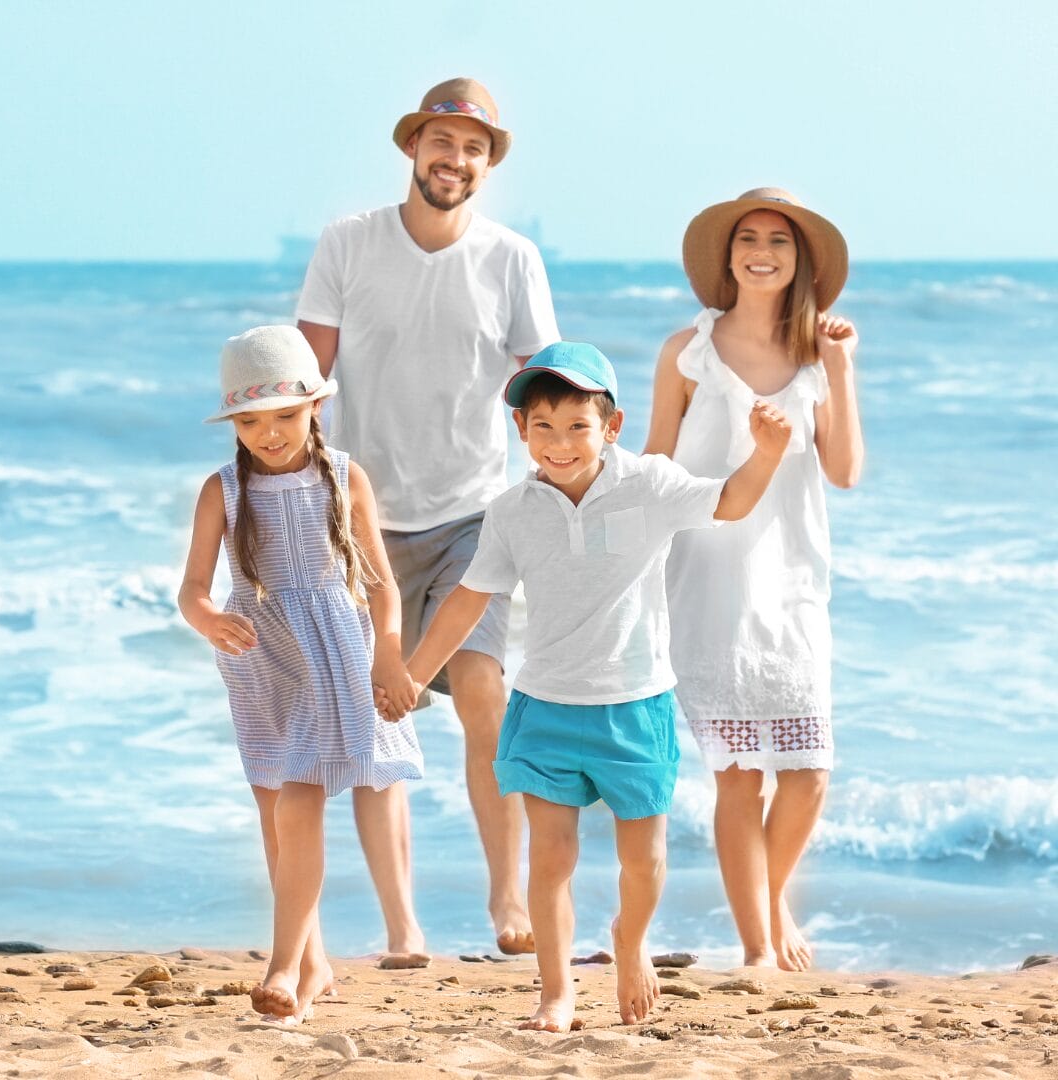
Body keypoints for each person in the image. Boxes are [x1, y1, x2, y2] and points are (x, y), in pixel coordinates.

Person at [386, 341, 793, 1031]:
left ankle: (629, 941)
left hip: (636, 706)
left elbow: (731, 501)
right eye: (542, 427)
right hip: (545, 707)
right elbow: (468, 599)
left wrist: (767, 451)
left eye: (577, 426)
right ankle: (556, 991)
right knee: (552, 857)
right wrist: (414, 673)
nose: (560, 443)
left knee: (646, 859)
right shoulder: (511, 511)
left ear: (612, 425)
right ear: (520, 432)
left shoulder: (650, 484)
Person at [295, 77, 559, 959]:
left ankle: (507, 900)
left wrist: (565, 493)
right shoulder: (348, 243)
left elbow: (540, 387)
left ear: (488, 163)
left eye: (475, 148)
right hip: (362, 521)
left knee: (484, 695)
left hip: (471, 519)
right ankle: (404, 930)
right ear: (414, 147)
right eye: (442, 143)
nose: (456, 160)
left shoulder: (512, 259)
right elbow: (308, 378)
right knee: (381, 717)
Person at [644, 188, 865, 971]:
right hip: (707, 579)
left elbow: (842, 471)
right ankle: (757, 948)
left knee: (808, 772)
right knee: (738, 778)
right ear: (727, 254)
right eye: (748, 237)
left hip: (794, 581)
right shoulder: (686, 353)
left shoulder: (816, 358)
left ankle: (771, 902)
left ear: (800, 259)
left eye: (778, 238)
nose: (762, 249)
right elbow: (655, 468)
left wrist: (841, 370)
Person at [178, 325, 423, 1025]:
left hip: (332, 655)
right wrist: (207, 621)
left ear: (315, 406)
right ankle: (313, 962)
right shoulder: (222, 490)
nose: (270, 433)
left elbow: (381, 585)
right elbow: (193, 588)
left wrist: (389, 652)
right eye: (251, 421)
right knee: (276, 814)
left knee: (302, 796)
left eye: (285, 415)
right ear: (234, 424)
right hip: (260, 659)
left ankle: (283, 967)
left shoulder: (344, 478)